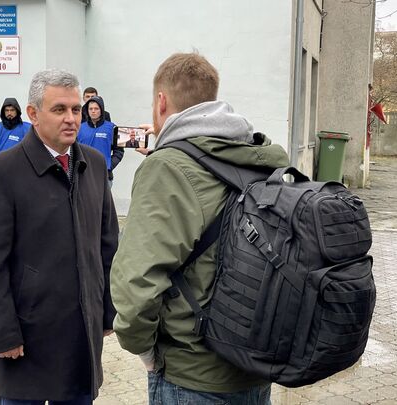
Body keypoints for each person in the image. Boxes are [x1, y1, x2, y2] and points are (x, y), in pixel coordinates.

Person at [110, 52, 289, 404]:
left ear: (161, 101)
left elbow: (136, 287)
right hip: (256, 370)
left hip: (192, 379)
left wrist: (145, 353)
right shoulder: (258, 156)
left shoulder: (167, 169)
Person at [0, 69, 119, 405]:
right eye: (59, 110)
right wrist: (2, 333)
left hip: (80, 332)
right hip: (27, 337)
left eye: (75, 110)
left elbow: (108, 245)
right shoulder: (3, 170)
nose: (70, 119)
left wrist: (107, 310)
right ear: (33, 114)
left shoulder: (94, 165)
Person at [77, 96, 124, 185]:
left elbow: (119, 152)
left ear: (101, 110)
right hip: (83, 176)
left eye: (96, 108)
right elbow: (73, 150)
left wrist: (109, 166)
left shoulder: (112, 128)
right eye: (90, 109)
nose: (93, 111)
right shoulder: (79, 128)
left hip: (104, 177)